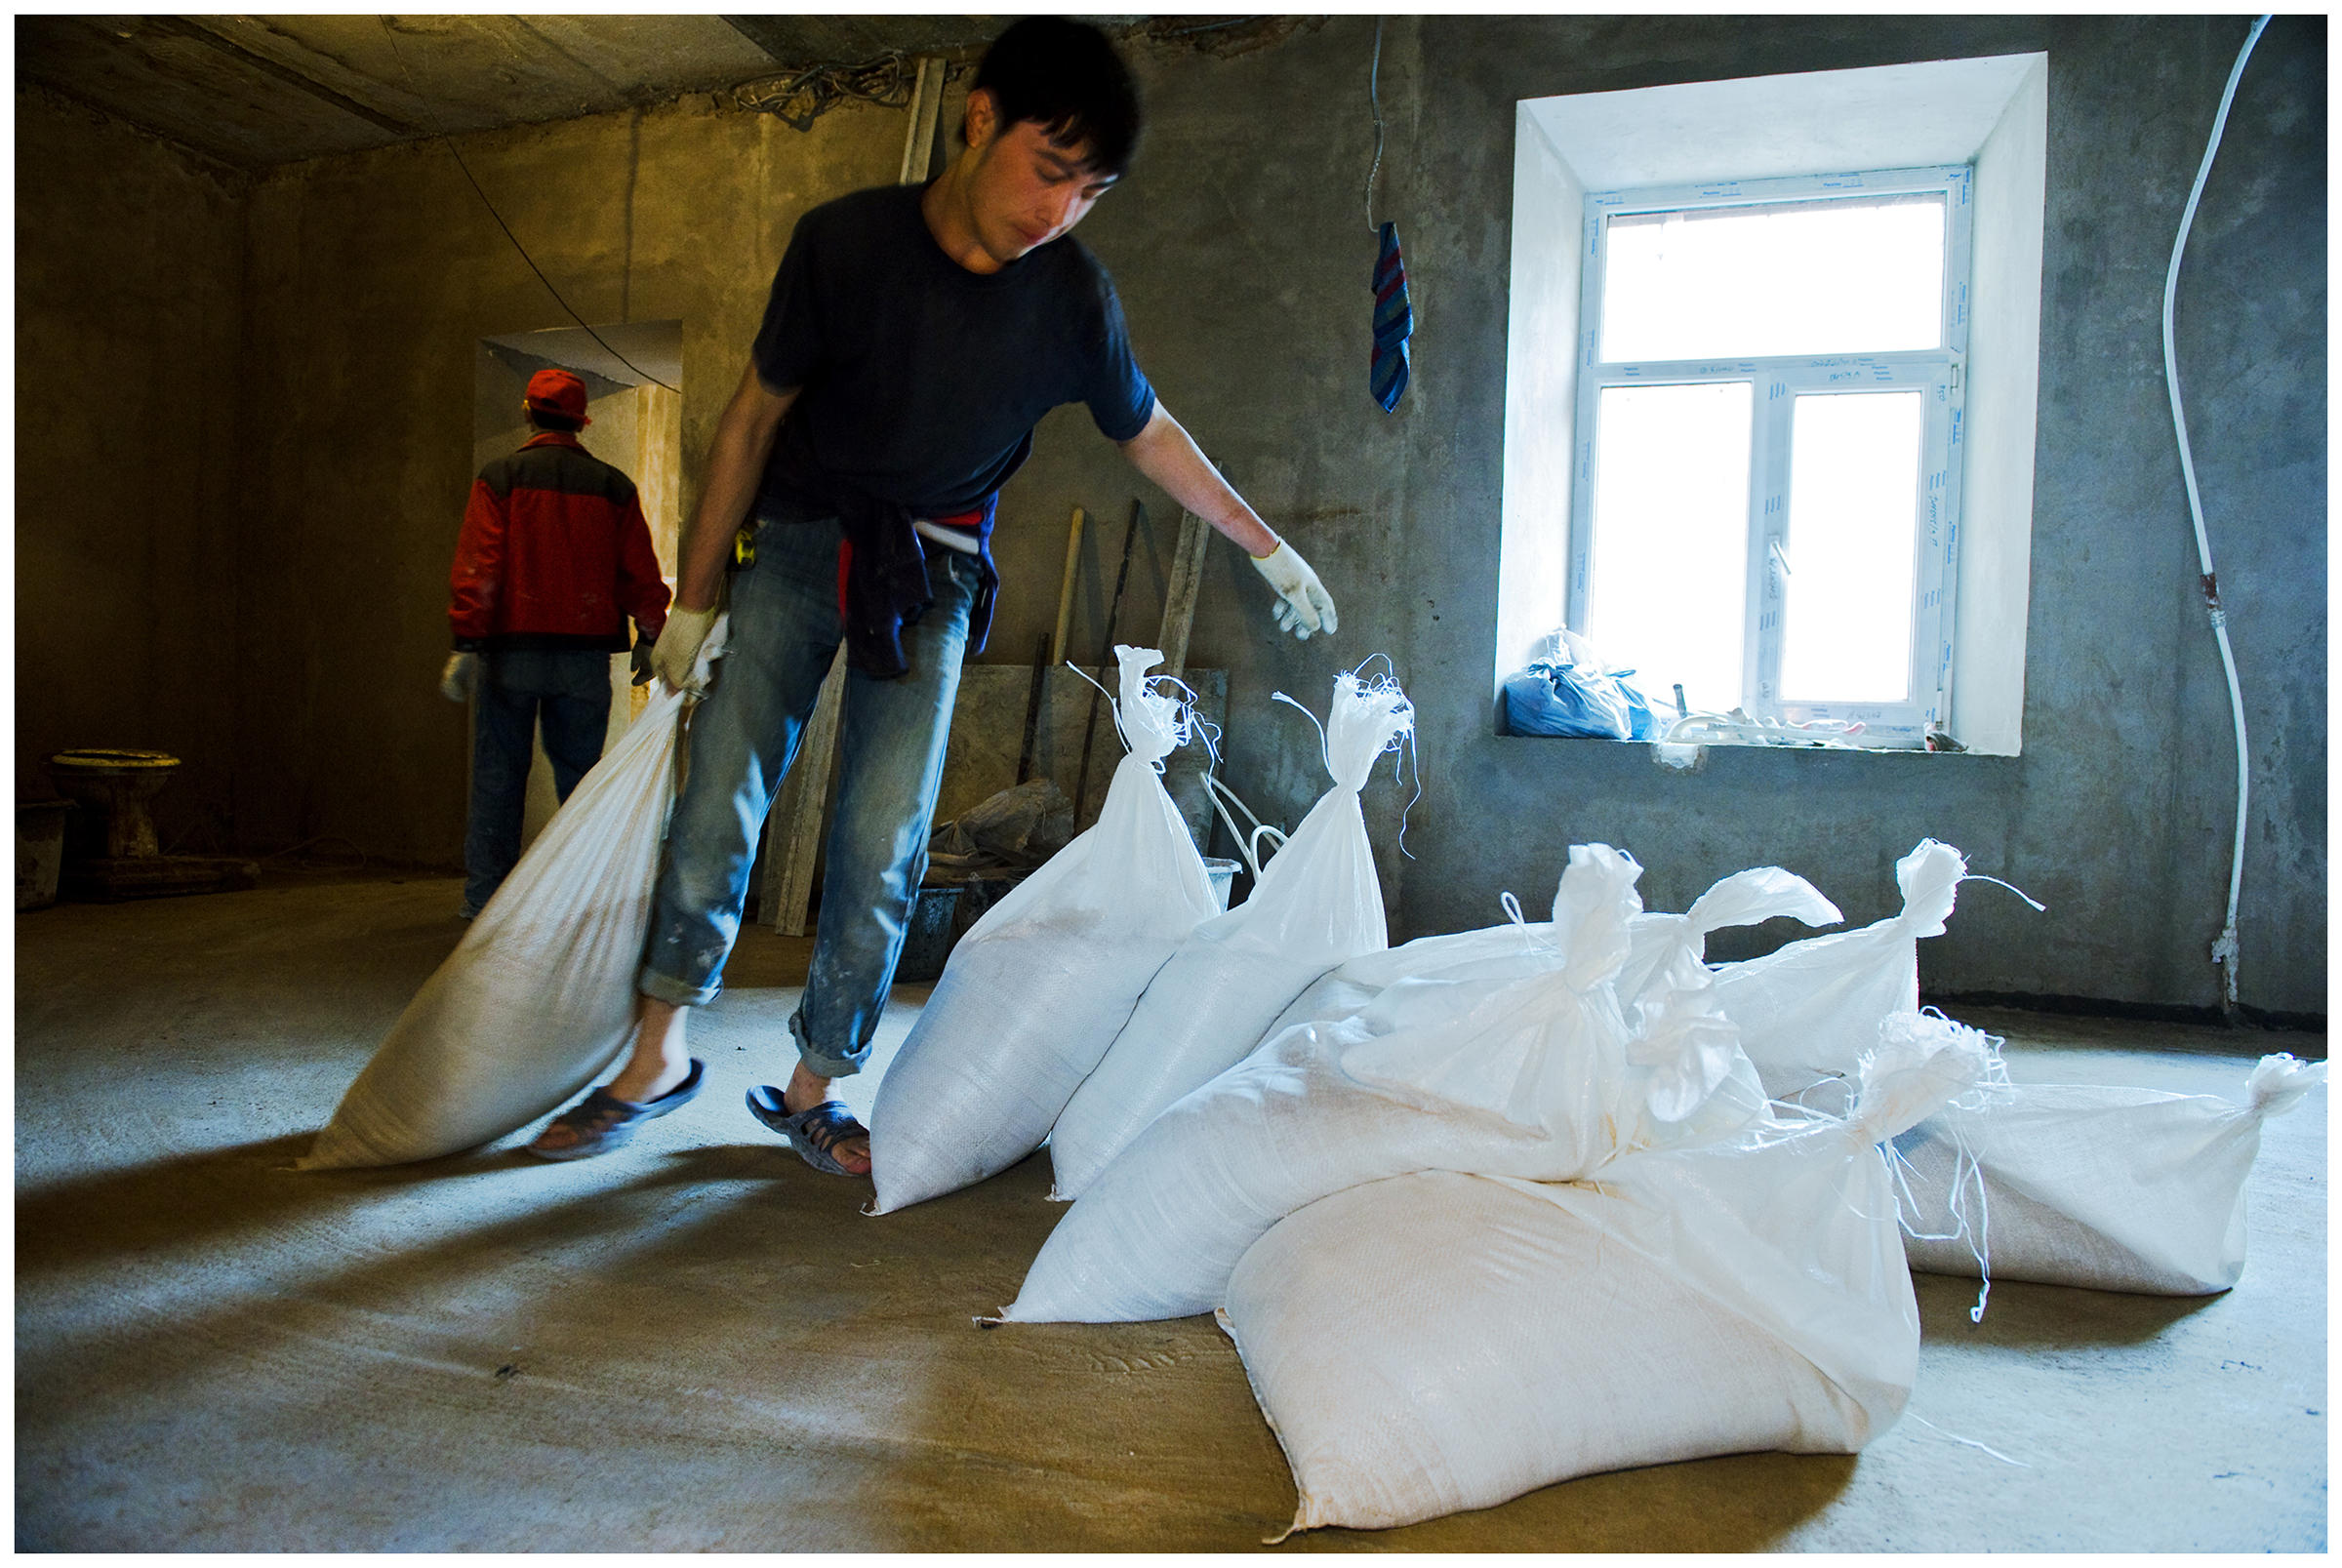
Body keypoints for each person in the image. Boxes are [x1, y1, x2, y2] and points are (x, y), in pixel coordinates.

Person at [527, 19, 1337, 1169]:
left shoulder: (1073, 301)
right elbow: (752, 418)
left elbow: (1147, 433)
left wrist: (1266, 548)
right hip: (801, 542)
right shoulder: (843, 246)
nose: (1059, 211)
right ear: (978, 118)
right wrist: (694, 601)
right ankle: (656, 1052)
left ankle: (815, 1084)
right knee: (719, 804)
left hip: (936, 569)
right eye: (1048, 169)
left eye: (1090, 191)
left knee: (885, 833)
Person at [442, 367, 671, 919]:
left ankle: (485, 904)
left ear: (527, 410)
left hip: (510, 654)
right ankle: (579, 903)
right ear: (583, 421)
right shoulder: (615, 487)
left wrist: (466, 642)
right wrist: (651, 634)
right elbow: (639, 572)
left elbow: (481, 566)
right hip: (584, 658)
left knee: (498, 778)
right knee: (579, 783)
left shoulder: (501, 477)